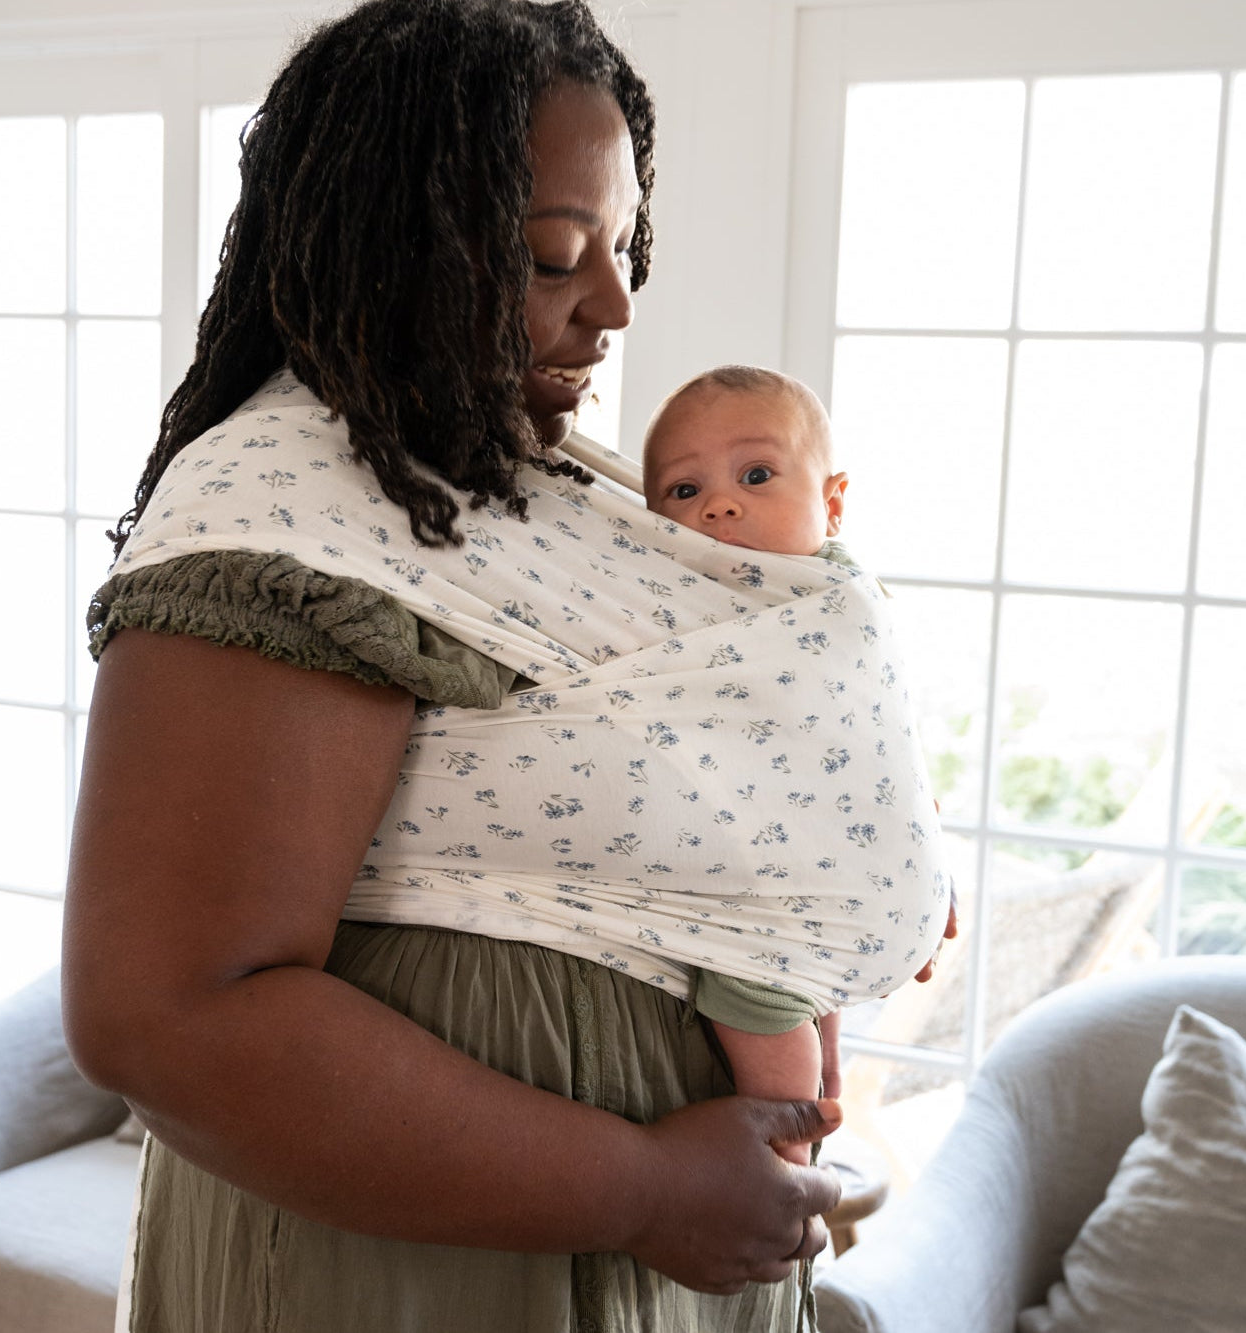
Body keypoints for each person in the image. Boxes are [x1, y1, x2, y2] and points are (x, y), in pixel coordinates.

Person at [62, 4, 856, 1331]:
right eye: (556, 254)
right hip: (409, 1278)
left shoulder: (528, 481)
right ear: (395, 242)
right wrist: (644, 1184)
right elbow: (168, 1018)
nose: (612, 303)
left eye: (624, 246)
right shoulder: (289, 506)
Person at [641, 363, 956, 1164]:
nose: (718, 503)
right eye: (681, 492)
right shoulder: (675, 605)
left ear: (834, 501)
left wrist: (924, 842)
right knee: (771, 1001)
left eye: (755, 475)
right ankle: (801, 1138)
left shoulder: (848, 598)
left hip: (831, 866)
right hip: (772, 876)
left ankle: (794, 1143)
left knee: (779, 997)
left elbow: (888, 727)